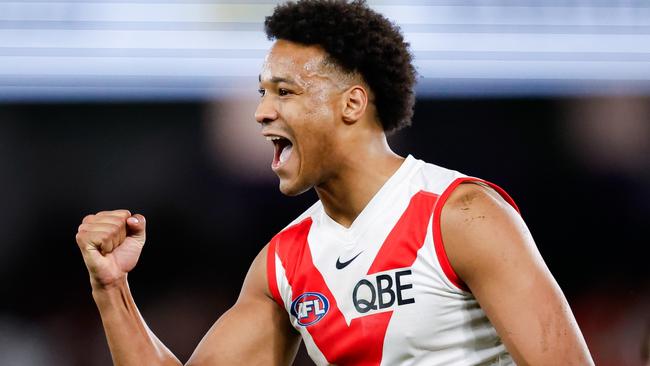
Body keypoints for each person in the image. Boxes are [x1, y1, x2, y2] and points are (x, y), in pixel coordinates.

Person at [75, 1, 594, 365]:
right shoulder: (283, 264)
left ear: (352, 103)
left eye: (285, 91)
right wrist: (111, 288)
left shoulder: (462, 216)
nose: (261, 112)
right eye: (262, 91)